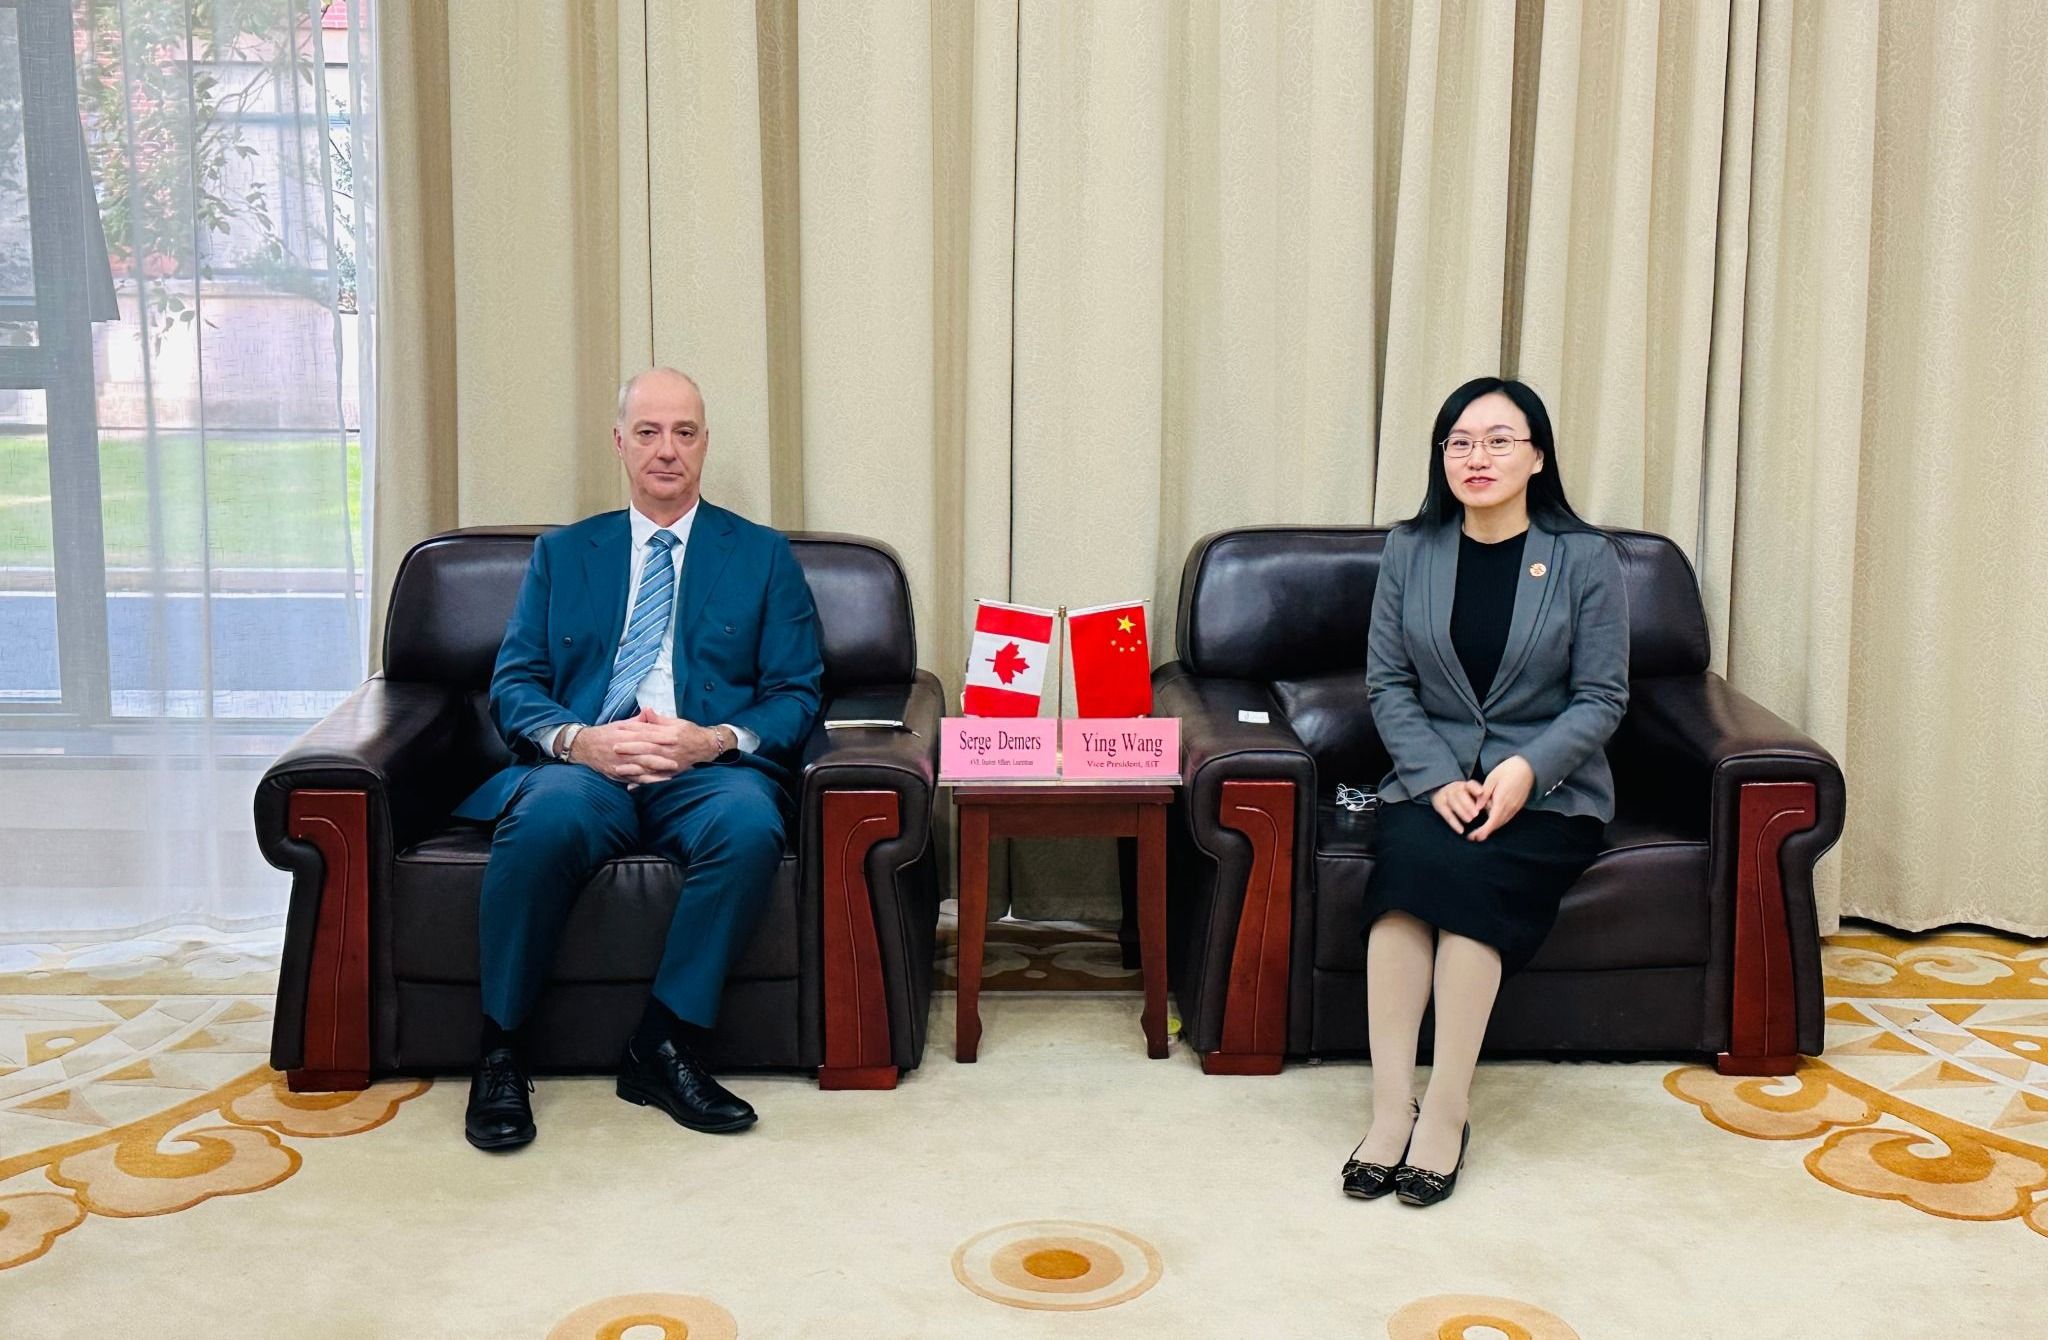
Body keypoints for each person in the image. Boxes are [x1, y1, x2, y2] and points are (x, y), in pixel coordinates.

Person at [452, 367, 823, 1152]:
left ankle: (664, 1044)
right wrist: (581, 741)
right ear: (620, 443)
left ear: (705, 444)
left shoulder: (761, 556)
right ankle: (501, 1051)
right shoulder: (564, 554)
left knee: (750, 822)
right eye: (649, 432)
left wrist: (711, 739)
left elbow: (796, 692)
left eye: (684, 433)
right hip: (586, 768)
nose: (667, 450)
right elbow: (515, 683)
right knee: (544, 817)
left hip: (704, 771)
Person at [1340, 377, 1627, 1206]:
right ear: (1442, 457)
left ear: (1537, 457)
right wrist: (1434, 778)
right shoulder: (1412, 550)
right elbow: (1389, 683)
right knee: (1404, 887)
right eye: (1461, 442)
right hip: (1427, 783)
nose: (1478, 457)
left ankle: (1447, 1110)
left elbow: (1601, 696)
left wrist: (1527, 769)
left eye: (1501, 440)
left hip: (1548, 792)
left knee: (1471, 885)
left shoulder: (1584, 558)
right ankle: (1391, 1109)